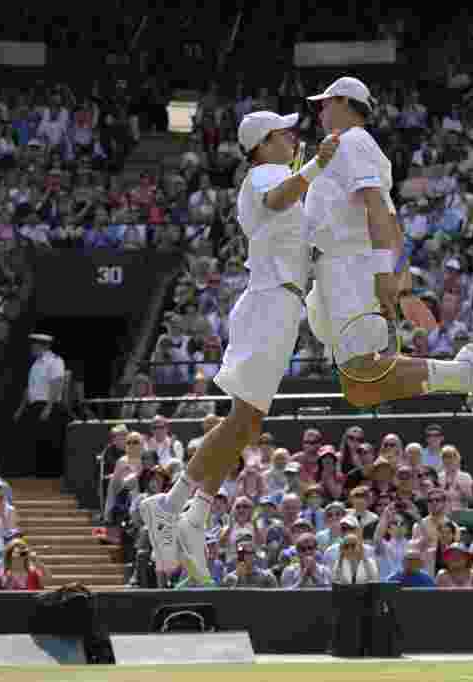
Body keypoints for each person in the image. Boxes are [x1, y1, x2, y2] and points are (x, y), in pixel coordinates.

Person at [139, 110, 340, 585]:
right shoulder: (264, 175)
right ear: (263, 143)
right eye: (284, 133)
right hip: (269, 304)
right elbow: (279, 195)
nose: (293, 137)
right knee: (242, 420)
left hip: (281, 307)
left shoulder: (285, 179)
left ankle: (195, 515)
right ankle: (168, 506)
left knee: (247, 422)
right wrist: (315, 167)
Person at [301, 76, 473, 413]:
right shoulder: (349, 148)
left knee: (362, 372)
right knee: (359, 389)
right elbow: (390, 220)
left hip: (350, 267)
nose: (320, 109)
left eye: (326, 102)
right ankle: (466, 373)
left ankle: (467, 373)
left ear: (345, 103)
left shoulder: (353, 141)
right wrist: (401, 285)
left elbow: (377, 209)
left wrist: (384, 275)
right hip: (339, 269)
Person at [12, 333, 66, 477]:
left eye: (34, 345)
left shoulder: (54, 361)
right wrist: (21, 408)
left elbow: (57, 384)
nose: (32, 347)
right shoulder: (36, 364)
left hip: (48, 405)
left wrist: (49, 407)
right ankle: (38, 473)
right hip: (34, 405)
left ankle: (51, 474)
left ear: (44, 346)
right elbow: (29, 389)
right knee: (35, 441)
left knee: (50, 441)